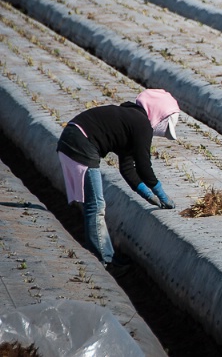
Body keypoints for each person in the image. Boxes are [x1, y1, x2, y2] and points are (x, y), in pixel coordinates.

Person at [56, 89, 180, 270]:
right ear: (160, 116)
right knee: (96, 205)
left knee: (95, 203)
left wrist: (147, 195)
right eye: (166, 127)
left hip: (73, 138)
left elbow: (127, 168)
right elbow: (144, 168)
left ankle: (106, 254)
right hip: (80, 143)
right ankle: (105, 260)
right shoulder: (141, 125)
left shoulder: (130, 119)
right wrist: (161, 194)